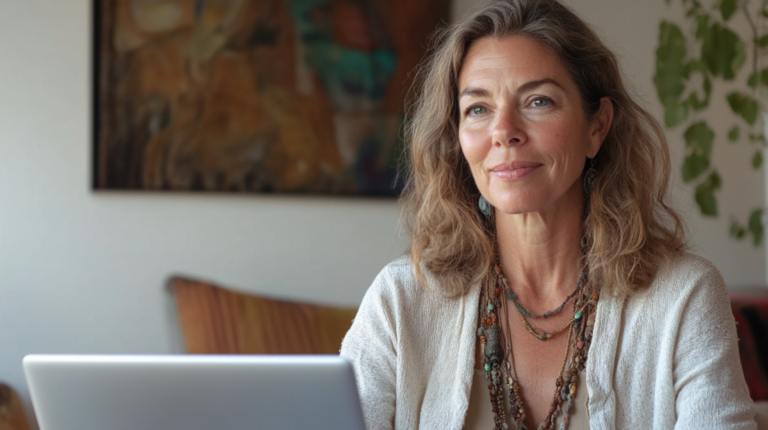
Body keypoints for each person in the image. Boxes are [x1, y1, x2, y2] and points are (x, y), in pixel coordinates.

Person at [340, 0, 761, 429]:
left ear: (596, 127)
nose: (504, 131)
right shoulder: (400, 302)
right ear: (458, 138)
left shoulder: (683, 298)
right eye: (478, 109)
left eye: (538, 101)